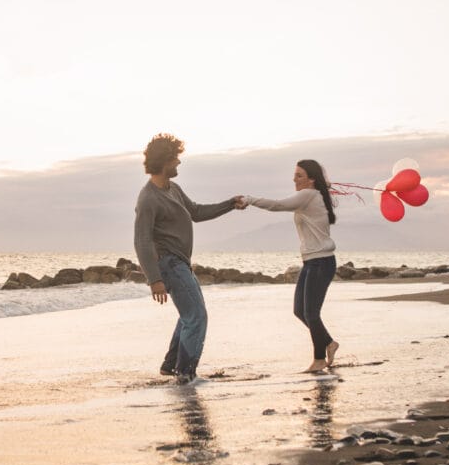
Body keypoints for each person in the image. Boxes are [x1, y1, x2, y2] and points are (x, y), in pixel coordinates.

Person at [133, 133, 245, 384]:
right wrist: (154, 280)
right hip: (168, 263)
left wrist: (230, 204)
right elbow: (141, 240)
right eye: (176, 159)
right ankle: (185, 374)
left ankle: (171, 366)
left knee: (189, 315)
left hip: (180, 262)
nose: (179, 164)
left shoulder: (173, 189)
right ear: (164, 161)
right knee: (197, 317)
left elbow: (196, 212)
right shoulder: (148, 198)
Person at [243, 159, 338, 373]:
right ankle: (329, 343)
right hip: (312, 262)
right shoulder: (314, 196)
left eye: (299, 175)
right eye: (294, 175)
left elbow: (277, 205)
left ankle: (319, 359)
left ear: (311, 180)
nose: (294, 179)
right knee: (299, 310)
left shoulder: (308, 195)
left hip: (321, 262)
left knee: (311, 313)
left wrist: (249, 199)